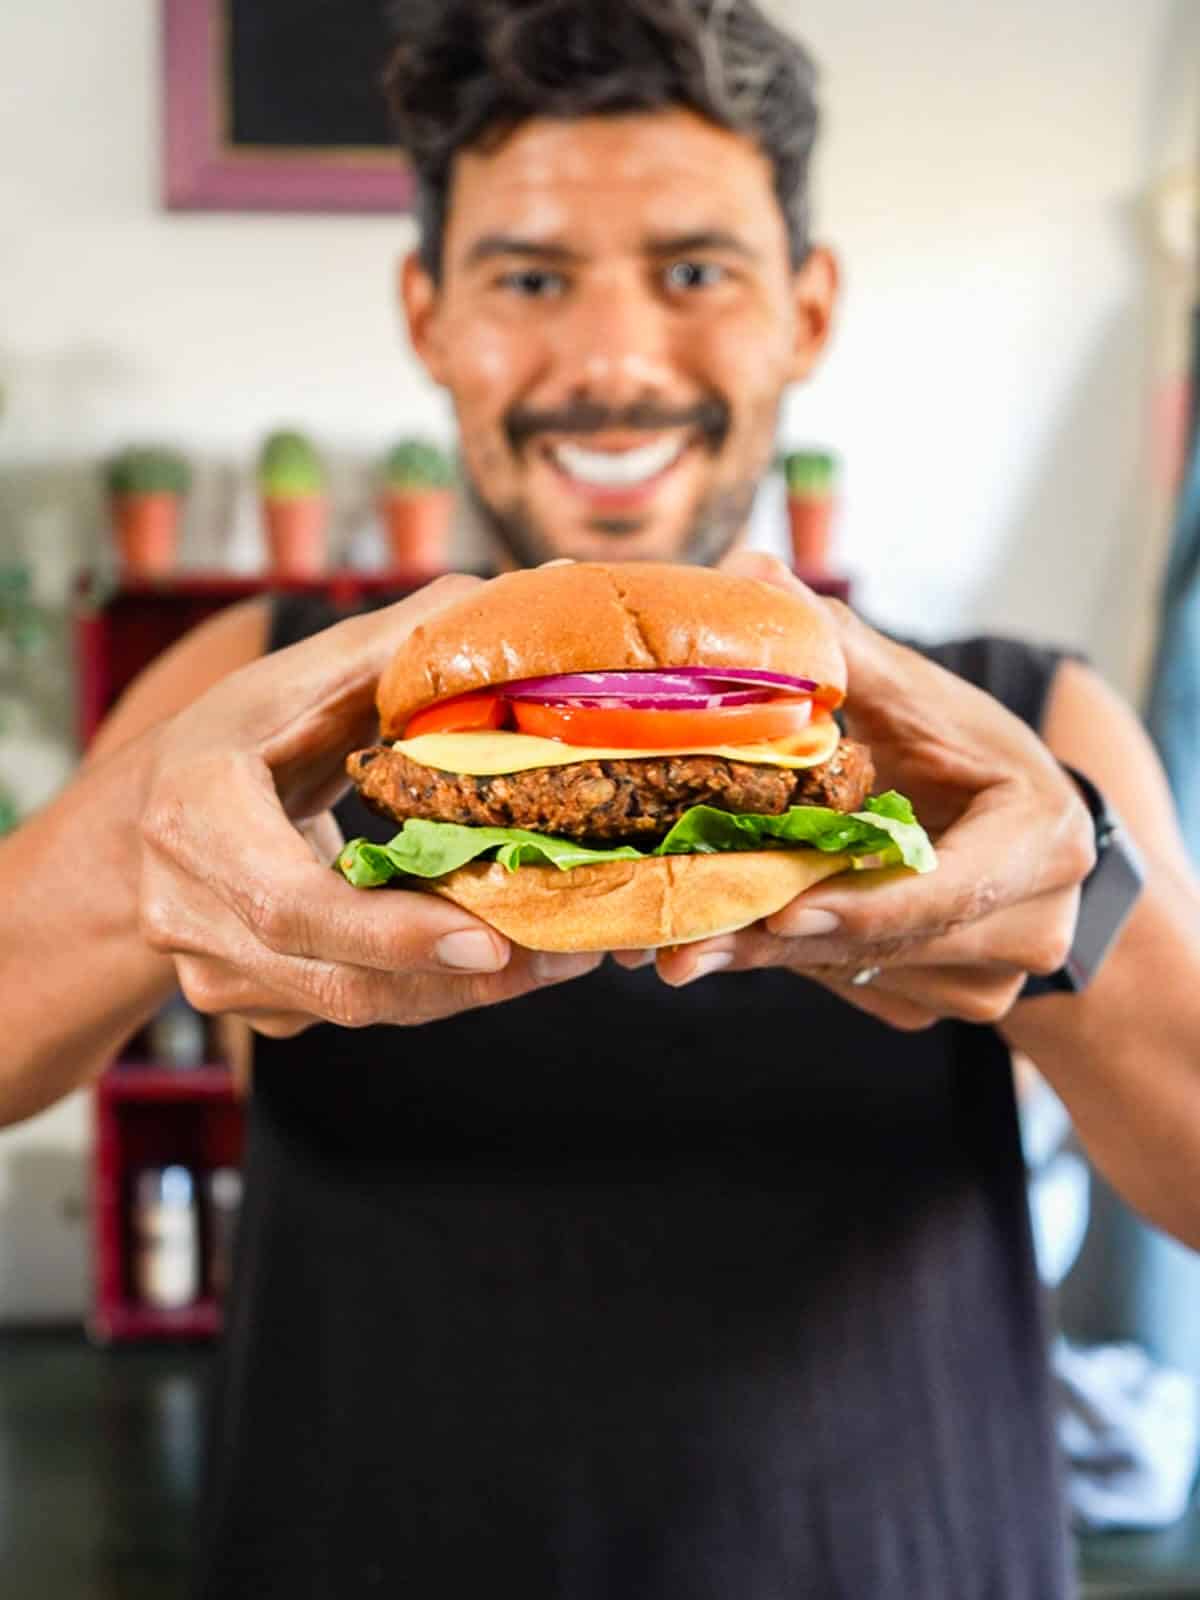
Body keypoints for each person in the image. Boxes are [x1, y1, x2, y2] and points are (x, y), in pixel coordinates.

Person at [3, 2, 1199, 1594]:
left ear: (807, 310)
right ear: (427, 314)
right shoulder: (266, 688)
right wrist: (133, 858)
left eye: (698, 271)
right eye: (530, 278)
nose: (617, 360)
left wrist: (1075, 903)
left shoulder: (1017, 718)